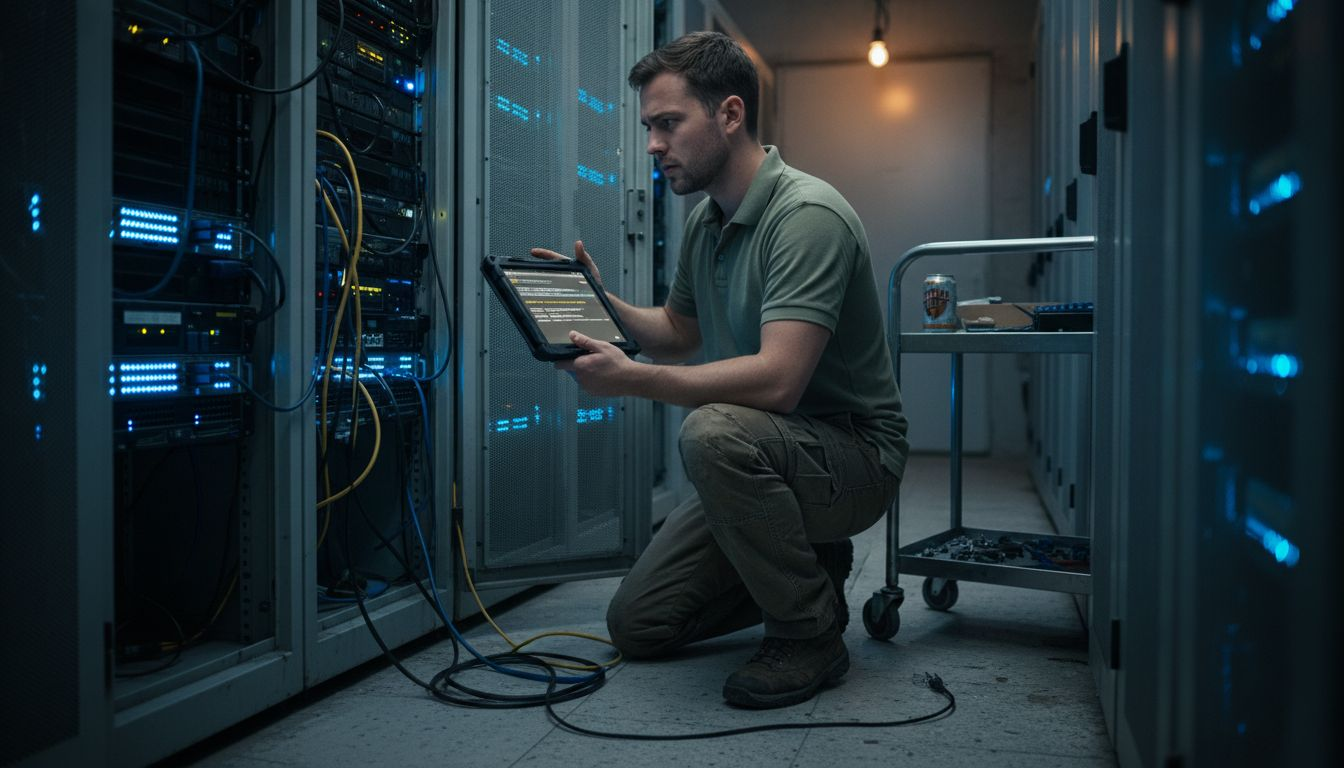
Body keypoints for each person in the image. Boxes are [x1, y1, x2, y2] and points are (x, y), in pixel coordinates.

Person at [531, 31, 908, 709]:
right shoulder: (710, 222)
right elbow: (677, 334)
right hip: (772, 448)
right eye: (650, 126)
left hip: (854, 455)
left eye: (669, 124)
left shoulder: (806, 215)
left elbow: (777, 381)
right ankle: (808, 566)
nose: (653, 145)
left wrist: (634, 380)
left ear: (730, 115)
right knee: (639, 625)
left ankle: (808, 632)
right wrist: (597, 300)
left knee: (710, 434)